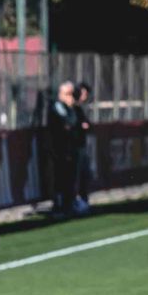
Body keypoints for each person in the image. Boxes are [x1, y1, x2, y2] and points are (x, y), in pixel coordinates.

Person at [47, 81, 80, 216]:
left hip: (69, 149)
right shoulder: (58, 106)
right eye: (68, 94)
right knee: (60, 178)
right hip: (59, 150)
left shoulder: (69, 107)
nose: (71, 97)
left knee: (70, 178)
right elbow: (69, 122)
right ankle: (60, 206)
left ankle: (69, 204)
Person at [73, 82, 94, 214]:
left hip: (81, 146)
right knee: (76, 176)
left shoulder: (80, 109)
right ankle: (77, 202)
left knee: (84, 174)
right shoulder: (73, 109)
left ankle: (84, 201)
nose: (85, 96)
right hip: (75, 147)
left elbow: (88, 125)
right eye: (84, 93)